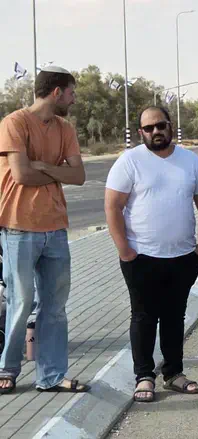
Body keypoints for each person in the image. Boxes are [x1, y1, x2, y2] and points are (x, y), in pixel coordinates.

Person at [105, 106, 198, 402]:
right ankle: (144, 376)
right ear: (141, 132)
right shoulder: (130, 161)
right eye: (149, 128)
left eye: (160, 125)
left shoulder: (190, 161)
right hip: (140, 257)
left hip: (183, 257)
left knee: (174, 316)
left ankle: (174, 373)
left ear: (171, 126)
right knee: (143, 316)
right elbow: (113, 206)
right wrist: (125, 251)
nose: (156, 132)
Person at [0, 66, 89, 394]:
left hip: (56, 229)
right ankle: (6, 369)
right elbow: (22, 176)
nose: (74, 99)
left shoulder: (65, 128)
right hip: (18, 228)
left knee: (54, 306)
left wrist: (43, 167)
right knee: (21, 302)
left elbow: (79, 176)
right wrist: (57, 171)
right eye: (71, 92)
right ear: (57, 92)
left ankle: (50, 376)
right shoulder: (15, 123)